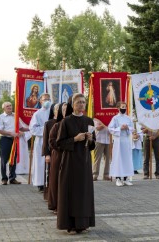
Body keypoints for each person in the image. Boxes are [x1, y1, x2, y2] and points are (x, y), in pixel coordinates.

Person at [56, 93, 95, 233]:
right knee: (71, 192)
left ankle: (83, 223)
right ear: (73, 104)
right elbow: (59, 143)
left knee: (83, 193)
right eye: (78, 102)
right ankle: (70, 224)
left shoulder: (89, 120)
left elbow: (92, 145)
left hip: (84, 162)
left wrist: (90, 139)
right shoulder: (66, 121)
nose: (81, 105)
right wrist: (75, 139)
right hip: (70, 162)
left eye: (83, 102)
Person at [48, 101, 68, 213]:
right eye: (63, 110)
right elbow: (52, 141)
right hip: (58, 155)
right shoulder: (56, 125)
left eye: (67, 109)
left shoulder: (72, 123)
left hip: (70, 156)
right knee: (56, 180)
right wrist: (65, 146)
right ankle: (56, 204)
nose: (66, 111)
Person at [0, 102, 22, 185]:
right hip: (5, 139)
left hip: (15, 140)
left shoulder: (16, 116)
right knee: (4, 160)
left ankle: (12, 178)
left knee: (13, 159)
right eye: (7, 106)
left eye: (10, 105)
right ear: (3, 108)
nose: (9, 107)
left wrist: (28, 129)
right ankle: (4, 178)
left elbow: (21, 127)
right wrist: (10, 133)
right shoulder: (1, 117)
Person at [29, 93, 52, 192]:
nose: (47, 101)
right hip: (41, 140)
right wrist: (46, 129)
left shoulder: (53, 112)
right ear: (40, 101)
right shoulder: (37, 114)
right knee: (40, 163)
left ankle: (50, 182)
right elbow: (33, 129)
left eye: (48, 99)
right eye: (44, 99)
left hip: (52, 140)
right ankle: (40, 183)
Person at [108, 101, 134, 187]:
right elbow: (110, 129)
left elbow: (132, 128)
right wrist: (119, 128)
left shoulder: (128, 118)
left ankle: (126, 178)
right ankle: (118, 179)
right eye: (122, 107)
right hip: (118, 141)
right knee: (118, 159)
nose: (124, 109)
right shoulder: (115, 118)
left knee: (126, 159)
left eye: (125, 107)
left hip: (126, 141)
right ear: (118, 108)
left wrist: (127, 128)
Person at [41, 103, 59, 199]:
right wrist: (46, 154)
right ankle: (48, 195)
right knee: (49, 174)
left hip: (60, 152)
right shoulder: (48, 123)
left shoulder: (64, 122)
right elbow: (45, 140)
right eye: (58, 109)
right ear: (54, 111)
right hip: (51, 152)